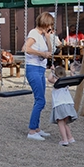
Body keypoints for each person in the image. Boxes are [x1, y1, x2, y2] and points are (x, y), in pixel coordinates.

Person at [23, 11, 54, 141]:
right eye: (50, 25)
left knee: (39, 100)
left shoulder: (41, 35)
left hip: (40, 69)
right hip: (33, 68)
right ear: (46, 24)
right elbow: (25, 48)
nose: (51, 27)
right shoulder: (34, 33)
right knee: (40, 100)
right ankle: (31, 130)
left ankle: (36, 128)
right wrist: (41, 53)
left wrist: (47, 37)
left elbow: (51, 51)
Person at [47, 65, 78, 146]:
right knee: (65, 123)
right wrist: (72, 72)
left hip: (59, 104)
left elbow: (49, 79)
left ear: (55, 75)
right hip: (68, 104)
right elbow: (74, 78)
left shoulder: (57, 82)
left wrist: (52, 71)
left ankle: (64, 140)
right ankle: (70, 138)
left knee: (60, 122)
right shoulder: (66, 82)